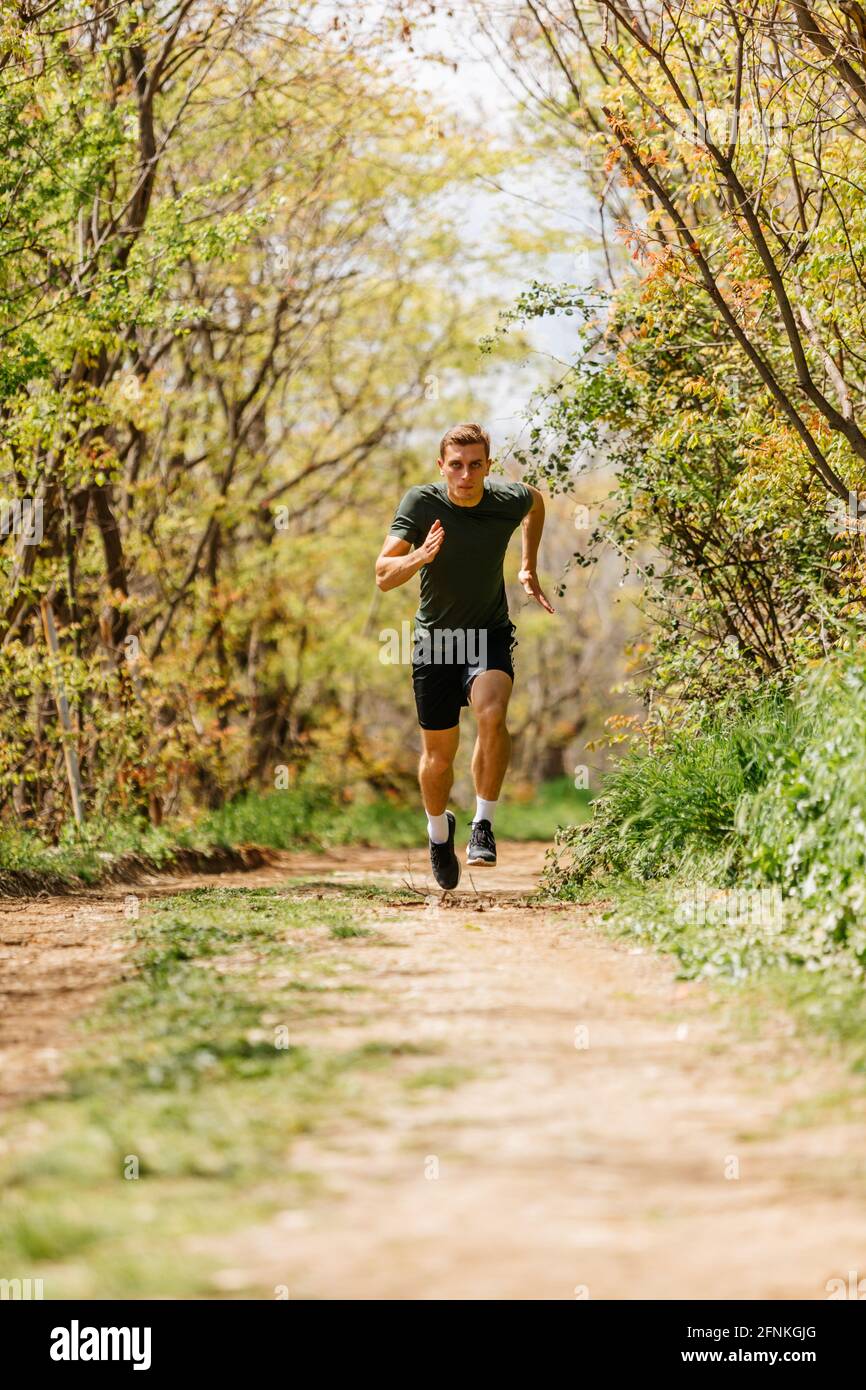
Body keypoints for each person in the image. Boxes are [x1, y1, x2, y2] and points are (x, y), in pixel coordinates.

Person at [375, 422, 554, 888]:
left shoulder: (504, 500)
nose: (466, 474)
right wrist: (420, 556)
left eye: (476, 465)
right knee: (438, 757)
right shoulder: (421, 502)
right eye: (456, 465)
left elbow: (536, 500)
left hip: (488, 632)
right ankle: (439, 835)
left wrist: (528, 564)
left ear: (488, 467)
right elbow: (383, 573)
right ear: (442, 467)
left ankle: (482, 825)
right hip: (435, 642)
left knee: (492, 713)